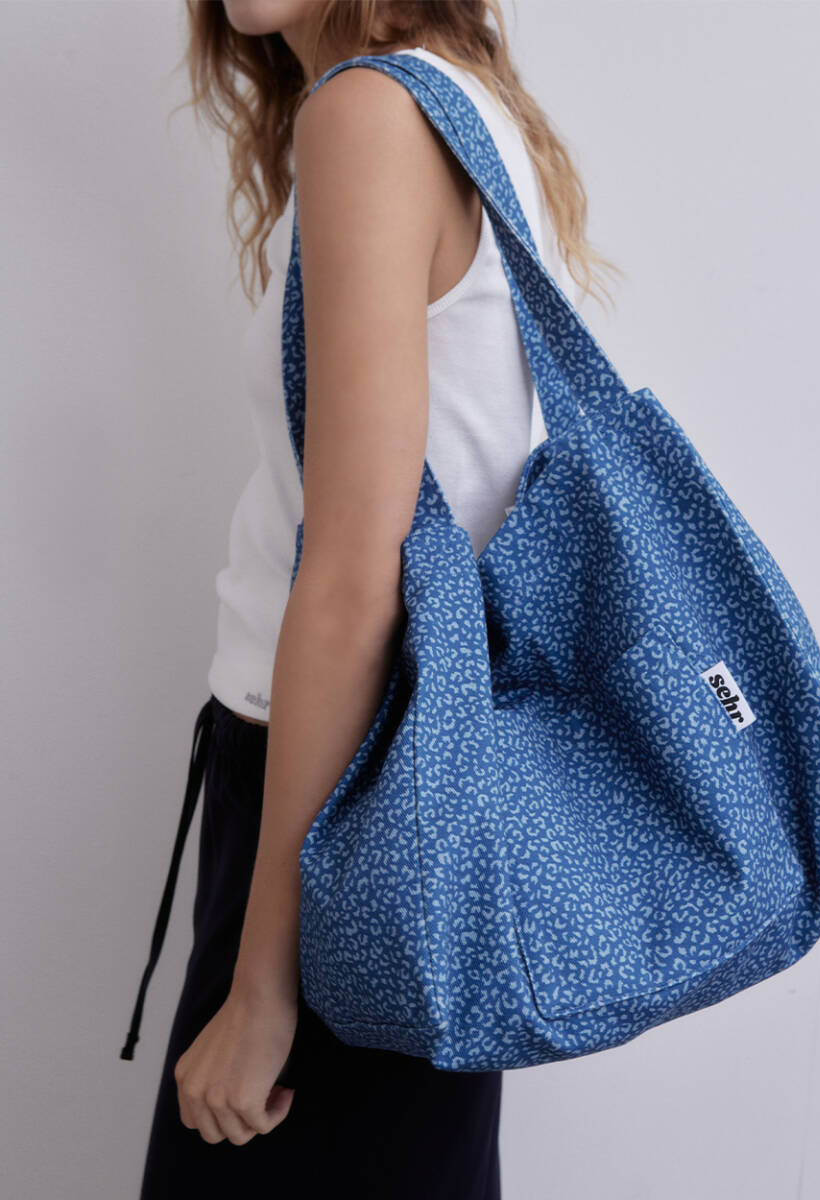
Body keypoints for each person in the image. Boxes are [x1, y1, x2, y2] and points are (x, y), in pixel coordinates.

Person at [120, 2, 619, 1196]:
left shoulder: (370, 115)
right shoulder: (450, 99)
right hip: (404, 796)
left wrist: (265, 986)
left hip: (342, 807)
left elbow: (357, 574)